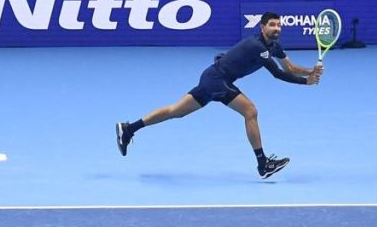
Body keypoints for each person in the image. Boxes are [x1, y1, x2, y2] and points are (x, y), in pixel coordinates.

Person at [114, 11, 322, 179]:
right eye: (272, 25)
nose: (276, 28)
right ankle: (263, 164)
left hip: (213, 77)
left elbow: (290, 66)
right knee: (250, 111)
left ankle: (129, 128)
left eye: (279, 25)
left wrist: (311, 72)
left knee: (175, 111)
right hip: (217, 79)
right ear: (262, 27)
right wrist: (306, 82)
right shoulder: (258, 47)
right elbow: (278, 74)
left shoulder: (274, 46)